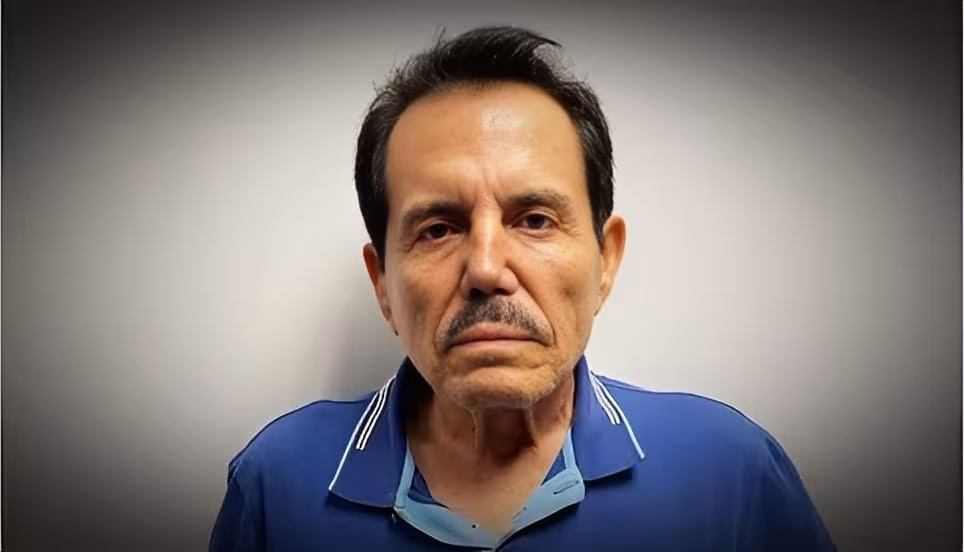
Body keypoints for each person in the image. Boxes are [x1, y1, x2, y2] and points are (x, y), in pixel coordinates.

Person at [209, 25, 836, 551]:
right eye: (438, 229)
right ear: (382, 284)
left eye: (534, 220)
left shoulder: (730, 471)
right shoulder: (276, 485)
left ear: (606, 260)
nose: (486, 269)